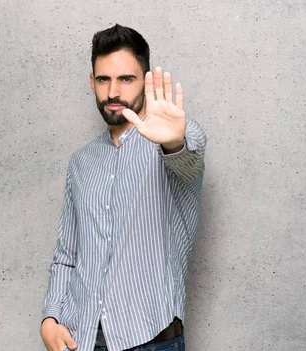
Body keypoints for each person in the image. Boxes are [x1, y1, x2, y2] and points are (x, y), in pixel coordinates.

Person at [40, 24, 207, 351]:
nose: (113, 91)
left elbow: (189, 160)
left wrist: (175, 142)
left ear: (145, 81)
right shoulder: (81, 162)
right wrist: (50, 320)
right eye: (104, 79)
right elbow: (67, 255)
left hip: (151, 340)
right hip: (82, 340)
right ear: (92, 83)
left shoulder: (177, 140)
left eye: (126, 79)